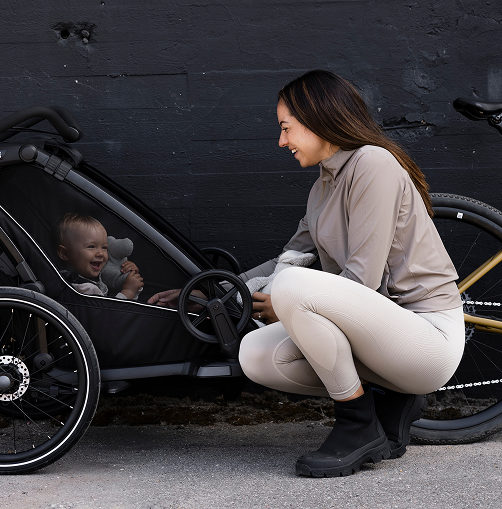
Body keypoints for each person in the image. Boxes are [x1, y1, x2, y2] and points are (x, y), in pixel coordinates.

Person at [149, 70, 464, 478]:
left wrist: (285, 306)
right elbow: (290, 258)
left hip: (427, 339)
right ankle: (388, 401)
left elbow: (360, 283)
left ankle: (356, 423)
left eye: (286, 128)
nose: (281, 141)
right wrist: (215, 293)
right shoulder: (322, 187)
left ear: (318, 119)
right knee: (256, 355)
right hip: (381, 338)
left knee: (292, 289)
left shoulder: (373, 164)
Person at [54, 213, 144, 300]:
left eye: (104, 247)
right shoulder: (86, 289)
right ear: (65, 253)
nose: (101, 253)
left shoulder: (62, 278)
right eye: (91, 247)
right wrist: (129, 291)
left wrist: (127, 276)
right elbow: (109, 313)